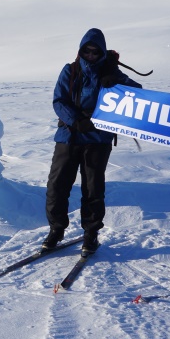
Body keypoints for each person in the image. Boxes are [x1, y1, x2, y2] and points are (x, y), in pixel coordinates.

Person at [43, 28, 141, 255]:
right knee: (57, 185)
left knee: (93, 187)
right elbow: (59, 100)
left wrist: (115, 81)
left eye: (95, 51)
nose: (90, 55)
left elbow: (139, 94)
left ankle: (90, 234)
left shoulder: (112, 73)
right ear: (80, 51)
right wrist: (76, 121)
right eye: (86, 51)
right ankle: (56, 230)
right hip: (69, 135)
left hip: (98, 139)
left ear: (102, 52)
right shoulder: (70, 70)